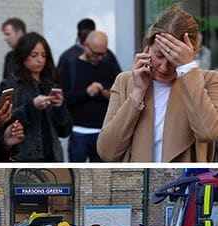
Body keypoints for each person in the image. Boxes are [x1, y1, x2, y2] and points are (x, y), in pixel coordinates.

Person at [97, 3, 218, 162]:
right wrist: (138, 92)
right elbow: (107, 152)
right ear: (147, 47)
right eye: (159, 55)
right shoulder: (125, 81)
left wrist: (187, 69)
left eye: (175, 59)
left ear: (190, 54)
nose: (165, 67)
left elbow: (208, 132)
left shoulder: (208, 81)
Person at [0, 32, 72, 162]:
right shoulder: (11, 84)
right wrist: (31, 106)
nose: (40, 60)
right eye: (34, 55)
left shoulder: (50, 84)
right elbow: (2, 122)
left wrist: (60, 107)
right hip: (24, 158)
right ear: (23, 56)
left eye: (44, 55)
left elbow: (65, 131)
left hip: (53, 158)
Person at [59, 30, 120, 162]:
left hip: (103, 132)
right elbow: (64, 98)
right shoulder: (71, 66)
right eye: (95, 53)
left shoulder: (109, 67)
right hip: (79, 131)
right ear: (86, 46)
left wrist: (110, 95)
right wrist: (86, 92)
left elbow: (121, 95)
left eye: (102, 54)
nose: (99, 58)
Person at [57, 18, 121, 78]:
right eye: (84, 36)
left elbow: (119, 81)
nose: (99, 57)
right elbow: (62, 86)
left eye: (99, 54)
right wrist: (86, 90)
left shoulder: (107, 54)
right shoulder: (67, 57)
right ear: (79, 35)